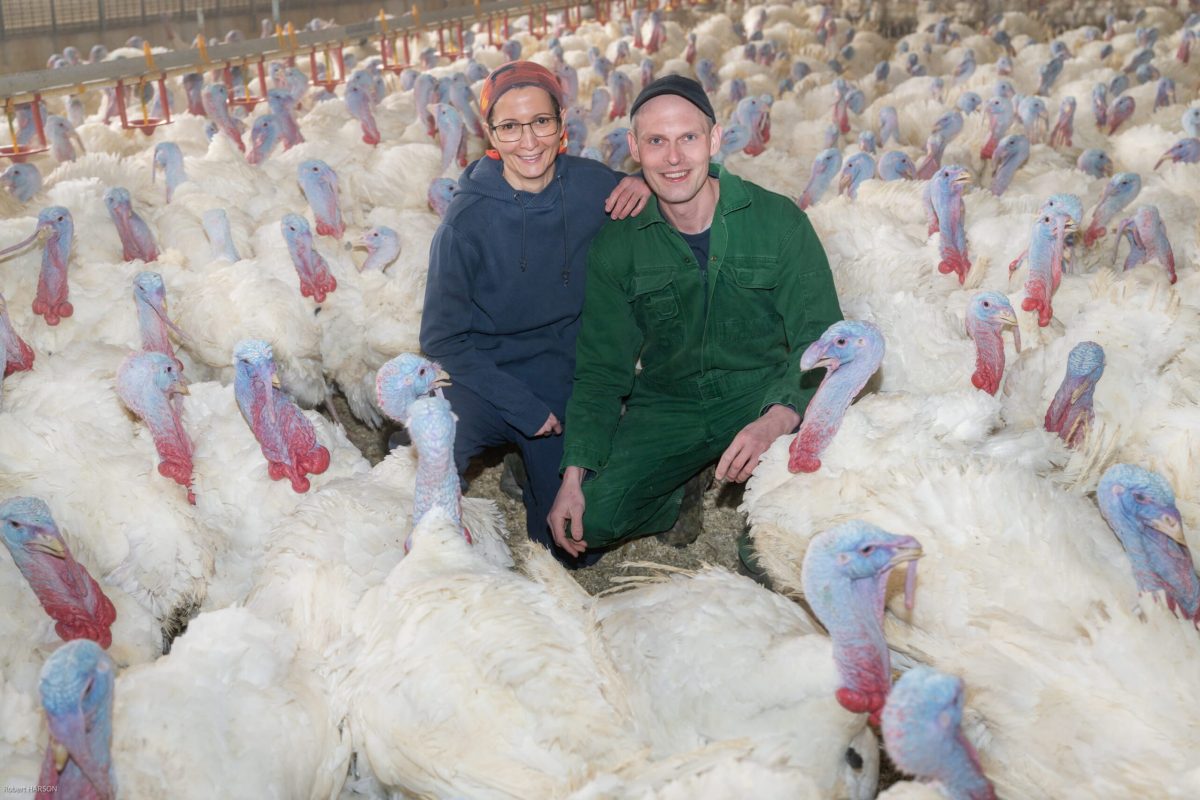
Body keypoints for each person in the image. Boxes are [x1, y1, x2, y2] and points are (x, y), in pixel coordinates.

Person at [547, 75, 843, 568]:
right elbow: (601, 370)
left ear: (713, 139)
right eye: (656, 142)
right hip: (671, 401)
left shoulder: (778, 221)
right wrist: (573, 477)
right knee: (589, 521)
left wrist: (776, 419)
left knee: (776, 553)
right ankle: (682, 483)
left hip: (762, 391)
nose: (674, 157)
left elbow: (821, 341)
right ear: (635, 150)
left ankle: (748, 485)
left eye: (687, 138)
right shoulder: (617, 245)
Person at [420, 61, 650, 565]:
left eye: (541, 122)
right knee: (438, 444)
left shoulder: (592, 186)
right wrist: (521, 409)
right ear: (490, 135)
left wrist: (647, 184)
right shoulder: (465, 224)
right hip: (484, 375)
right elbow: (442, 340)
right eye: (510, 127)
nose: (529, 141)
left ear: (561, 122)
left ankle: (530, 472)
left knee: (574, 549)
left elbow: (681, 188)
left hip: (565, 372)